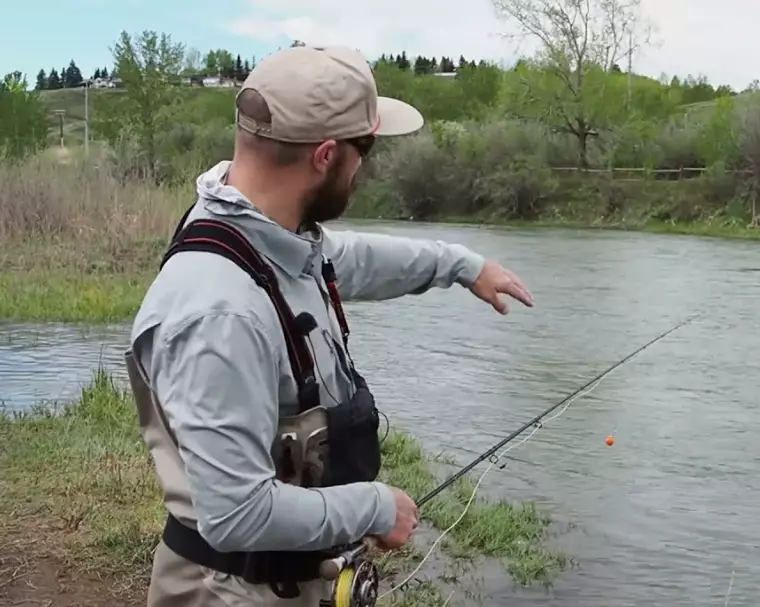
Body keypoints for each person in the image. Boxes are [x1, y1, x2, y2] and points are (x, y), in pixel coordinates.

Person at [124, 44, 534, 607]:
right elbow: (236, 514)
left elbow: (354, 259)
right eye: (364, 148)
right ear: (324, 155)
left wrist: (462, 265)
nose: (365, 165)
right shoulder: (219, 315)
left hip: (282, 580)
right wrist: (374, 507)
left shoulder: (266, 233)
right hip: (229, 591)